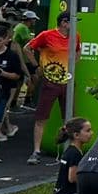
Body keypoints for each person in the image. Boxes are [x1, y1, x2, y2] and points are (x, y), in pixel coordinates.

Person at [25, 12, 76, 164]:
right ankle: (36, 151)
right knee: (41, 116)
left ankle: (70, 150)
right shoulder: (47, 35)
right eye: (72, 21)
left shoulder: (75, 37)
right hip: (50, 81)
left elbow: (77, 51)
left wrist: (71, 67)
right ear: (64, 23)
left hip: (67, 81)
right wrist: (36, 67)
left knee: (69, 117)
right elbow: (27, 48)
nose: (75, 25)